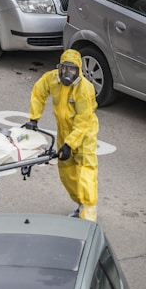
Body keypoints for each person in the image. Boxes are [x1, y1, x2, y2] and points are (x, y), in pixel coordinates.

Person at [25, 49, 99, 222]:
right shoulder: (52, 79)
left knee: (85, 172)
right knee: (66, 172)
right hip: (64, 132)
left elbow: (83, 121)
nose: (67, 73)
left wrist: (70, 144)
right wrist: (34, 119)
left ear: (78, 70)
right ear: (59, 67)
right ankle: (80, 204)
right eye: (64, 68)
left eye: (72, 70)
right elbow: (38, 92)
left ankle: (88, 216)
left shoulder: (84, 89)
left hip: (84, 134)